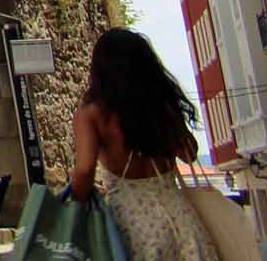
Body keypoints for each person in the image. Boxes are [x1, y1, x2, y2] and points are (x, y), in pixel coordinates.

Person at [69, 27, 217, 259]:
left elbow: (85, 169)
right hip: (182, 220)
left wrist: (72, 207)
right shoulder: (161, 107)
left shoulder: (93, 114)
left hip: (133, 226)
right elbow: (189, 153)